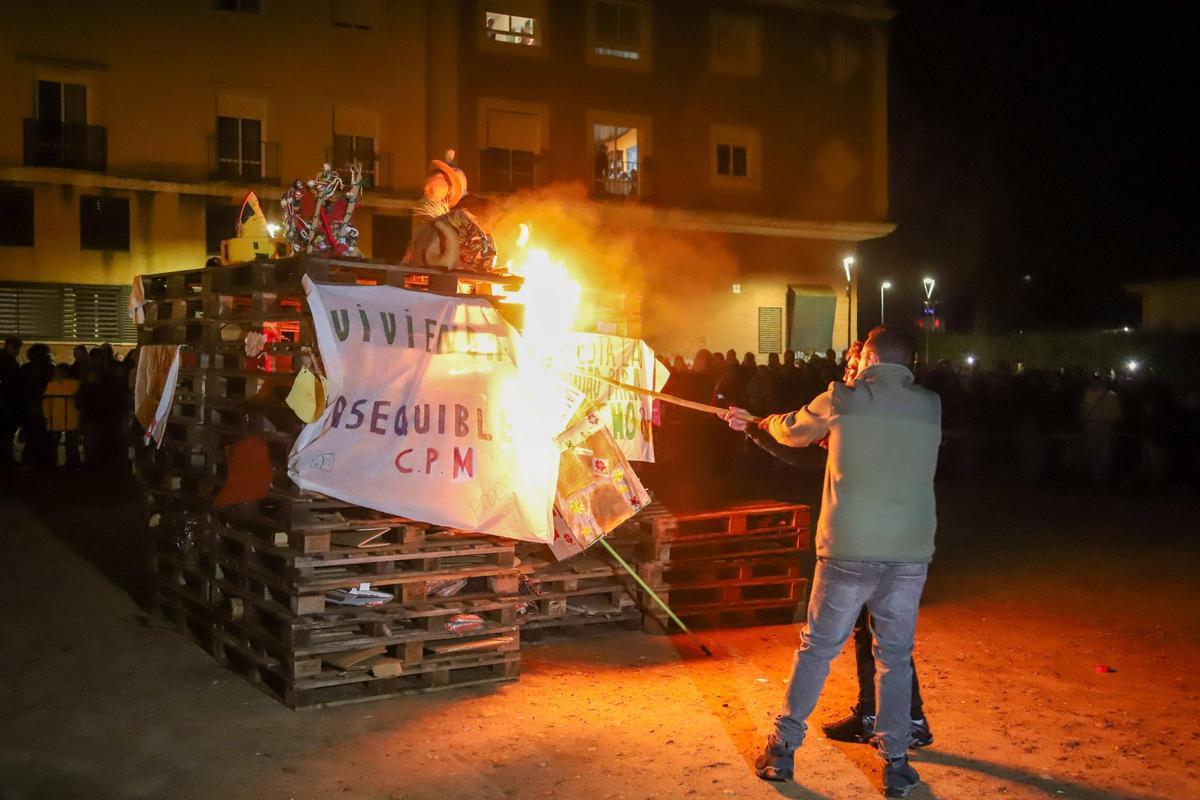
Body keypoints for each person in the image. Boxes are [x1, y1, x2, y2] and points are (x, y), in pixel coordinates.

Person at [721, 327, 941, 798]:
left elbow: (793, 431)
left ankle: (782, 747)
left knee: (818, 649)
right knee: (894, 659)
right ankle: (896, 764)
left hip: (849, 550)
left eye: (859, 358)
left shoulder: (843, 397)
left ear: (870, 359)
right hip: (909, 554)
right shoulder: (930, 405)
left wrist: (757, 422)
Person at [42, 363, 81, 467]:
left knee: (54, 443)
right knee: (71, 443)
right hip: (71, 417)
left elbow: (46, 402)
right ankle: (73, 463)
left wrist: (47, 416)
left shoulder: (51, 385)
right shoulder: (76, 384)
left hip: (55, 416)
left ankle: (52, 464)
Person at [0, 336, 23, 466]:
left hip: (8, 400)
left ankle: (6, 458)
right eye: (14, 348)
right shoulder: (8, 361)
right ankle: (6, 458)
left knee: (6, 432)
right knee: (6, 432)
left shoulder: (10, 359)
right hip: (6, 401)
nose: (16, 351)